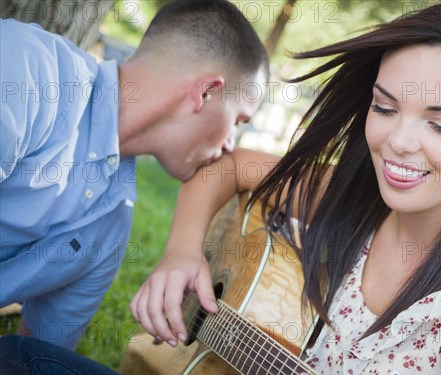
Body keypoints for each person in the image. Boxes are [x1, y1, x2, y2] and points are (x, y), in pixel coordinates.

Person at [0, 1, 441, 375]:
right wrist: (182, 253)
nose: (398, 141)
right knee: (18, 366)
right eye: (385, 106)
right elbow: (227, 169)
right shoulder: (360, 200)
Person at [0, 0, 269, 350]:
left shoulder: (111, 228)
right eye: (238, 121)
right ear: (206, 93)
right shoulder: (28, 72)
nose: (231, 145)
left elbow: (36, 364)